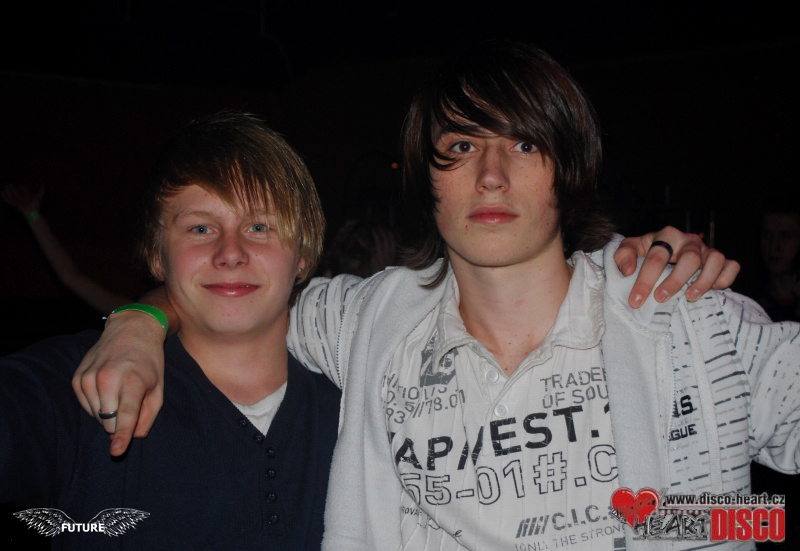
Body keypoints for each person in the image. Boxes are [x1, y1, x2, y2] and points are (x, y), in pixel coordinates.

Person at [72, 42, 763, 551]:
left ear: (569, 167)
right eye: (460, 146)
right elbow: (233, 288)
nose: (490, 175)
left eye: (524, 144)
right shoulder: (366, 322)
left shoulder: (690, 317)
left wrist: (679, 522)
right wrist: (136, 322)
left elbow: (765, 517)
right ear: (427, 181)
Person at [1, 112, 340, 549]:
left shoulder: (362, 402)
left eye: (259, 227)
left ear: (304, 254)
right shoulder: (86, 380)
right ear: (156, 257)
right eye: (201, 228)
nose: (230, 252)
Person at [2, 184, 133, 314]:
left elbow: (70, 277)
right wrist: (32, 214)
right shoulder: (135, 312)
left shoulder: (139, 316)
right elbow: (70, 277)